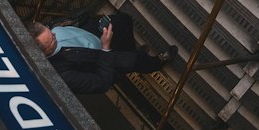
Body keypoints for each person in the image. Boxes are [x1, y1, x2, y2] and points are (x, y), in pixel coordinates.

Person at [28, 11, 175, 95]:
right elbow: (101, 83)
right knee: (134, 60)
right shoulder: (64, 75)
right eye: (52, 40)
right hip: (105, 58)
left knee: (124, 20)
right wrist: (106, 48)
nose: (54, 36)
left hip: (95, 34)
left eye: (51, 31)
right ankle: (156, 63)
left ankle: (131, 51)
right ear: (44, 53)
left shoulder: (49, 31)